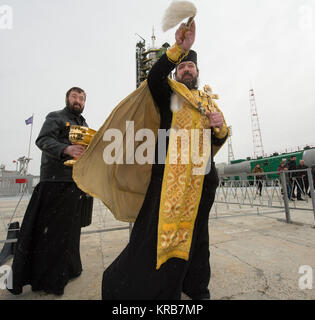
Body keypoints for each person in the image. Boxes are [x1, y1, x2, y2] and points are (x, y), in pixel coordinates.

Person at [7, 87, 93, 296]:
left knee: (71, 232)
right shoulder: (56, 117)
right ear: (67, 98)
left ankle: (70, 269)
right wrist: (65, 149)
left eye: (81, 98)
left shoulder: (85, 125)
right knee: (51, 234)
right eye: (74, 96)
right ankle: (48, 279)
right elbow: (43, 140)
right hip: (54, 184)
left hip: (75, 184)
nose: (78, 100)